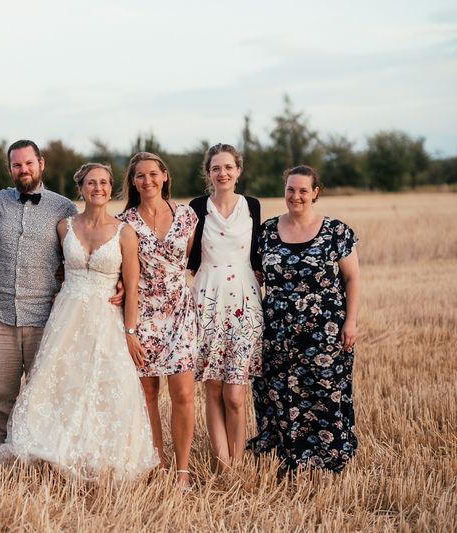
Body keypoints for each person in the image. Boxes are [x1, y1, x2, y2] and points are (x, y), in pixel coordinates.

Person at [0, 163, 159, 481]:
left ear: (111, 187)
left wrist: (130, 332)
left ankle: (100, 458)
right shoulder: (64, 227)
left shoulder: (124, 233)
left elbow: (132, 287)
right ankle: (56, 452)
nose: (97, 187)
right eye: (90, 182)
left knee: (105, 386)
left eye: (102, 182)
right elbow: (52, 266)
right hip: (67, 317)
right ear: (81, 188)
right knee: (59, 383)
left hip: (106, 320)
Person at [248, 165, 360, 474]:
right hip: (276, 328)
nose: (295, 196)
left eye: (302, 190)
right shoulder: (267, 231)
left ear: (315, 193)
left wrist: (350, 322)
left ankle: (329, 453)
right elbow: (254, 275)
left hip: (325, 330)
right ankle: (287, 453)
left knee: (326, 389)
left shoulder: (336, 231)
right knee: (278, 390)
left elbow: (352, 280)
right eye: (290, 189)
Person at [0, 140, 78, 455]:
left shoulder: (64, 207)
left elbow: (77, 257)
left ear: (41, 163)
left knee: (42, 392)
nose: (23, 170)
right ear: (9, 168)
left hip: (44, 317)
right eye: (17, 165)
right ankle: (2, 452)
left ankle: (37, 451)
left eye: (28, 163)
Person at [117, 152, 199, 490]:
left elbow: (191, 263)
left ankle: (181, 470)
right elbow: (125, 275)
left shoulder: (187, 216)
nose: (147, 181)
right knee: (147, 393)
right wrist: (129, 329)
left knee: (182, 394)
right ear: (133, 182)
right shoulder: (125, 221)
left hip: (180, 313)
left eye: (153, 174)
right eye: (140, 176)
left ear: (164, 176)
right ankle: (156, 463)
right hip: (142, 315)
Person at [188, 143, 263, 471]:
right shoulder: (196, 207)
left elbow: (259, 255)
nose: (223, 173)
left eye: (229, 167)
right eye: (216, 168)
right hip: (207, 299)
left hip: (245, 301)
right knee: (213, 388)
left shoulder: (253, 207)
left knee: (235, 393)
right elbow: (189, 259)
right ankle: (223, 466)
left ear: (238, 171)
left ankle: (240, 458)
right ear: (209, 173)